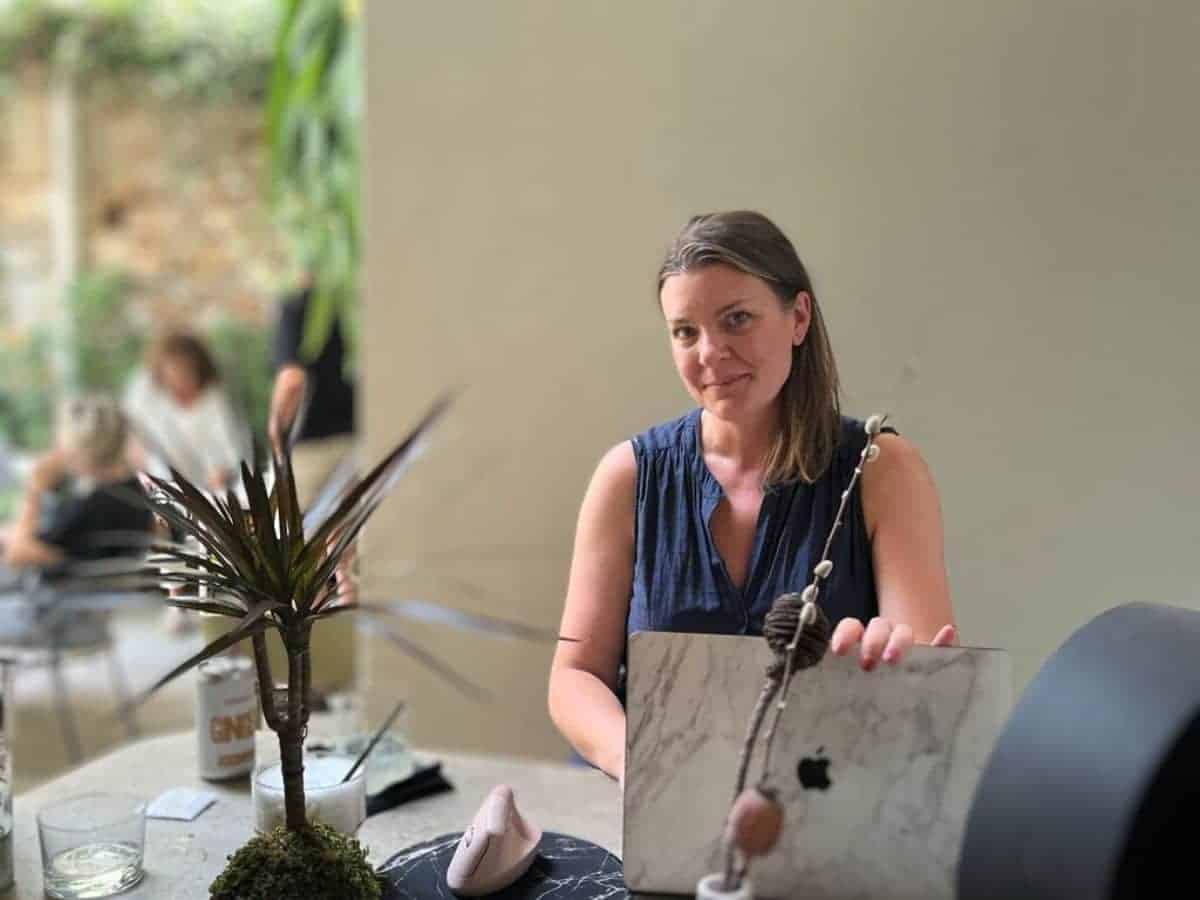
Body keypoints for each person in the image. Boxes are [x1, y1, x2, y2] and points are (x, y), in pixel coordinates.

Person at [548, 210, 956, 785]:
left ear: (799, 317)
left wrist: (895, 668)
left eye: (736, 319)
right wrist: (633, 759)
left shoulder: (883, 469)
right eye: (685, 331)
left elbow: (919, 674)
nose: (710, 352)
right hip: (640, 796)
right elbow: (574, 675)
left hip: (813, 798)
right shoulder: (627, 476)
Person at [2, 394, 152, 575]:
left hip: (77, 591)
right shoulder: (138, 494)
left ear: (73, 448)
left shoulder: (89, 508)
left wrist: (35, 488)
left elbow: (16, 554)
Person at [123, 331, 250, 493]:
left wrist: (220, 474)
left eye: (185, 374)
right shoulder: (146, 396)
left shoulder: (214, 402)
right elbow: (131, 435)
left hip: (211, 491)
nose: (179, 383)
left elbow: (232, 453)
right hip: (160, 488)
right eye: (172, 376)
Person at [268, 281, 356, 508]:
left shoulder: (295, 304)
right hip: (357, 435)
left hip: (314, 444)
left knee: (297, 525)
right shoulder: (348, 298)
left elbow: (292, 380)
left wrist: (276, 428)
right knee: (353, 521)